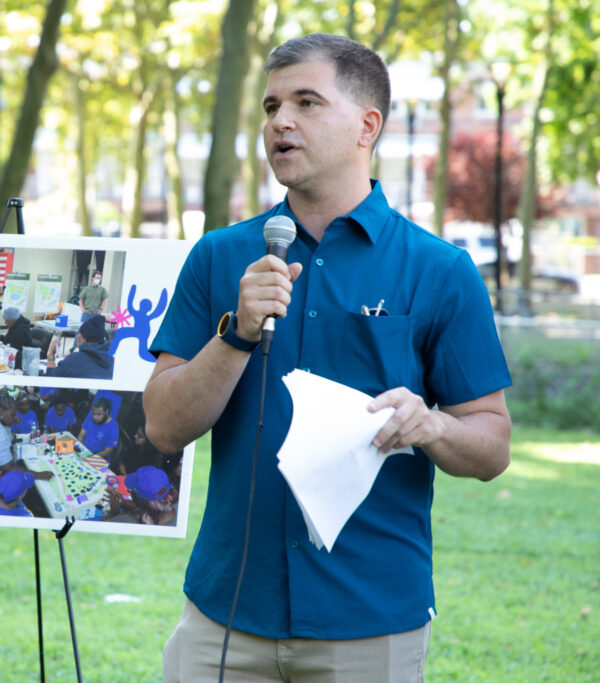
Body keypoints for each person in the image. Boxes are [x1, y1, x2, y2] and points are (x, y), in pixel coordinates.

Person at [144, 33, 512, 682]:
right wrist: (236, 334)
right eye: (270, 105)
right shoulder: (219, 257)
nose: (280, 120)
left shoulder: (441, 270)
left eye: (307, 102)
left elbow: (492, 444)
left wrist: (434, 424)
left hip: (370, 619)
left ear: (367, 125)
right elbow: (163, 425)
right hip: (224, 616)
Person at [102, 465, 178, 526]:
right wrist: (123, 502)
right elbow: (145, 507)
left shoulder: (126, 521)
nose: (129, 491)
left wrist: (113, 513)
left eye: (131, 490)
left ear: (140, 500)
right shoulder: (177, 506)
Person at [45, 314, 114, 379]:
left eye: (79, 333)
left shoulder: (74, 360)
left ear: (83, 338)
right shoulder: (111, 360)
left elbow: (51, 379)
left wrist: (51, 355)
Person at [77, 397, 120, 462]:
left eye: (98, 414)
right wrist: (79, 449)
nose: (95, 417)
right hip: (85, 452)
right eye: (93, 413)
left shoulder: (113, 426)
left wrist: (90, 458)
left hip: (99, 458)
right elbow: (81, 435)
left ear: (106, 412)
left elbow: (108, 451)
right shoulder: (90, 417)